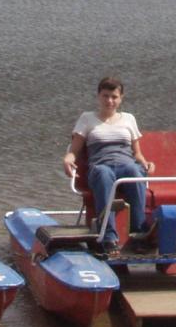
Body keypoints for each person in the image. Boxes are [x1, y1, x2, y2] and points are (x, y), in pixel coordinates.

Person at [63, 75, 154, 249]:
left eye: (114, 97)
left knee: (135, 172)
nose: (109, 101)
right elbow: (74, 151)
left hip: (126, 164)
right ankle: (108, 235)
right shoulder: (87, 118)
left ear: (121, 98)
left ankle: (138, 233)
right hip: (101, 165)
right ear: (99, 96)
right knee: (103, 174)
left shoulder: (129, 119)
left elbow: (137, 154)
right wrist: (67, 160)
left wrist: (146, 164)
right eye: (105, 96)